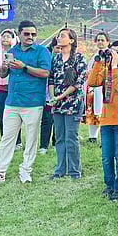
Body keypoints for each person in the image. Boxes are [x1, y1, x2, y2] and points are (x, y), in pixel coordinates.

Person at [0, 20, 51, 186]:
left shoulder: (42, 51)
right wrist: (4, 68)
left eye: (33, 34)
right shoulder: (13, 51)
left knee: (32, 138)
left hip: (33, 102)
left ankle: (25, 171)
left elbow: (45, 72)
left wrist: (24, 67)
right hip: (12, 101)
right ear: (19, 34)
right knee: (7, 138)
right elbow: (4, 74)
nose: (30, 37)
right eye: (26, 34)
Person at [87, 40, 118, 201]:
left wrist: (114, 67)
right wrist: (99, 63)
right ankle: (109, 185)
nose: (114, 55)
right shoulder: (105, 71)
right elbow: (92, 82)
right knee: (106, 155)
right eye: (112, 52)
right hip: (107, 120)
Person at [48, 28, 87, 179]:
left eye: (63, 36)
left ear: (71, 40)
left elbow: (79, 82)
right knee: (59, 137)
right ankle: (59, 170)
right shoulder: (55, 58)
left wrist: (60, 96)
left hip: (73, 103)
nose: (59, 38)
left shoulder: (79, 58)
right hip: (57, 104)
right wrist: (53, 97)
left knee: (71, 137)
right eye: (58, 35)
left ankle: (74, 171)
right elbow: (51, 79)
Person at [85, 32, 109, 144]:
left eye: (102, 40)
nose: (100, 42)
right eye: (98, 40)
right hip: (92, 88)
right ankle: (92, 136)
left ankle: (105, 136)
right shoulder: (95, 55)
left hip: (105, 87)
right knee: (92, 111)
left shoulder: (110, 55)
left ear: (107, 42)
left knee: (104, 111)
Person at [38, 38, 60, 155]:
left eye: (61, 48)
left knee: (57, 121)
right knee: (47, 120)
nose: (59, 50)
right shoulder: (46, 59)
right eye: (57, 47)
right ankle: (43, 145)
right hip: (47, 94)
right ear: (52, 47)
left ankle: (56, 143)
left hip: (61, 95)